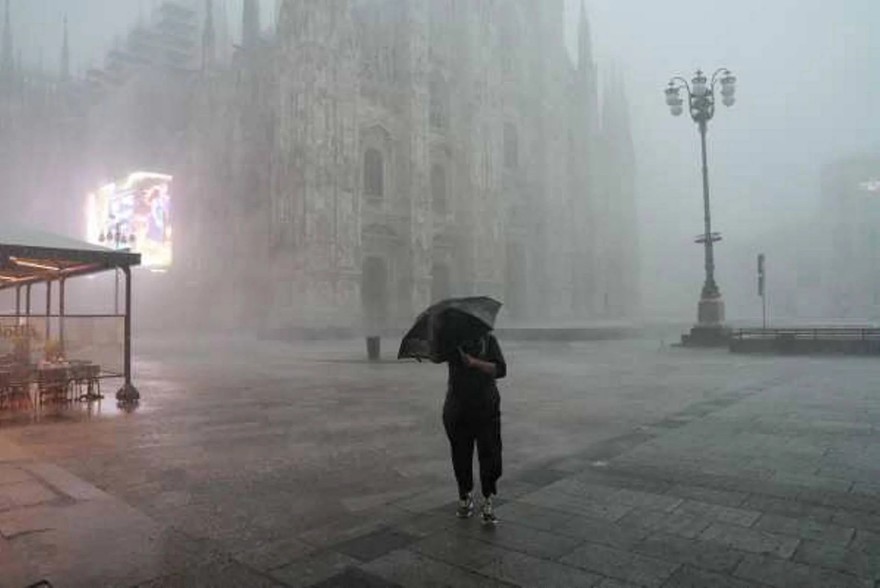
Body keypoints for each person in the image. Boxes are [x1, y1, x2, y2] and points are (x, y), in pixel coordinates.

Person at [441, 329, 506, 525]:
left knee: (490, 453)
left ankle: (487, 499)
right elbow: (437, 357)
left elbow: (501, 369)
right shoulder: (453, 344)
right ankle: (465, 495)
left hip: (486, 407)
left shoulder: (489, 340)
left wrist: (475, 363)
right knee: (460, 454)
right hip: (458, 408)